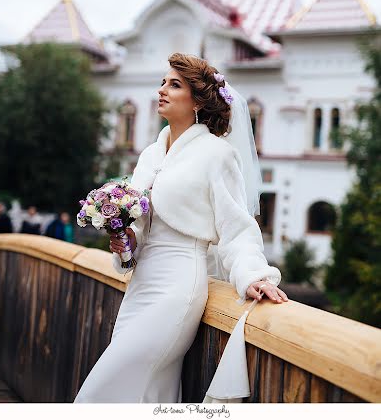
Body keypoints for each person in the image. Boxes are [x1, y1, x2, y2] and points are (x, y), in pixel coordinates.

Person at [74, 53, 288, 404]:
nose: (162, 90)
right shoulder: (148, 156)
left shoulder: (217, 155)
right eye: (162, 82)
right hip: (139, 288)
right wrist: (124, 242)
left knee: (102, 389)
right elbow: (141, 233)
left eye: (175, 85)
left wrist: (253, 276)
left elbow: (236, 227)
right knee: (146, 390)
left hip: (177, 287)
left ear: (198, 101)